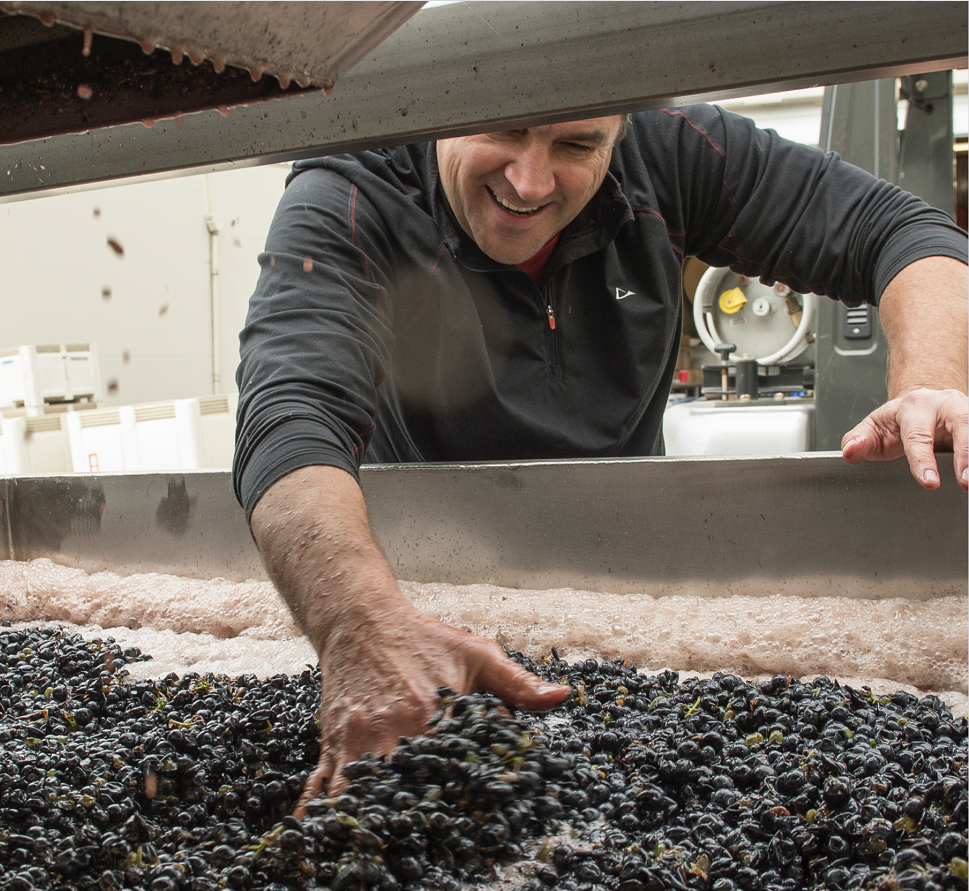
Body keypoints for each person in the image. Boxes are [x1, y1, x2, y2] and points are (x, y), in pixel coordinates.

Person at [230, 104, 969, 811]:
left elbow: (902, 233)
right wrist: (357, 624)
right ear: (440, 106)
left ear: (620, 129)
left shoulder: (670, 147)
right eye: (506, 130)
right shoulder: (355, 182)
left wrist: (933, 384)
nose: (530, 181)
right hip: (423, 600)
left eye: (577, 146)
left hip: (635, 599)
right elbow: (291, 413)